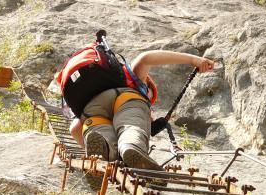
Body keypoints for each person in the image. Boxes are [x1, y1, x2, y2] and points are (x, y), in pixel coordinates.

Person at [70, 50, 214, 170]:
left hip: (93, 110)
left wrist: (87, 145)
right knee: (131, 127)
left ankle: (106, 149)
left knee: (101, 134)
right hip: (125, 99)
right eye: (150, 95)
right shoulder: (133, 78)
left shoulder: (102, 84)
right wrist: (193, 60)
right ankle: (131, 145)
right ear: (148, 85)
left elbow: (75, 128)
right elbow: (146, 58)